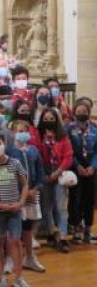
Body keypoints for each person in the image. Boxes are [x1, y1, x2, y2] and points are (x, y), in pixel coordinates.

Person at [0, 131, 31, 287]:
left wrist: (20, 202)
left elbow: (25, 184)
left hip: (15, 209)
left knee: (16, 241)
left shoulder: (15, 163)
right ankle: (1, 277)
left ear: (4, 143)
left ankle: (19, 277)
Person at [7, 120, 45, 272]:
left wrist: (36, 188)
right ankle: (10, 259)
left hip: (31, 194)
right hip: (16, 195)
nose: (22, 133)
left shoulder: (33, 150)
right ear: (13, 133)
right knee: (13, 228)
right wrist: (20, 193)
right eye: (19, 130)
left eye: (25, 130)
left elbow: (40, 171)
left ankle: (29, 257)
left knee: (28, 227)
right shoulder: (9, 151)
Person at [37, 108, 73, 252]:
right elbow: (35, 155)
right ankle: (53, 232)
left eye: (52, 119)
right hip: (44, 173)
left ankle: (63, 237)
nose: (49, 122)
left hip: (59, 173)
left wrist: (58, 172)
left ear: (56, 120)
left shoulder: (62, 136)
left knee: (61, 207)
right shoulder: (38, 135)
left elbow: (68, 156)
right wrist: (42, 174)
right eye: (46, 119)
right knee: (46, 207)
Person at [66, 100, 97, 244]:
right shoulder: (68, 129)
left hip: (91, 168)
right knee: (75, 199)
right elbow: (68, 150)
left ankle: (88, 230)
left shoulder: (95, 128)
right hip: (75, 167)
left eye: (85, 112)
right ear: (74, 112)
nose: (82, 114)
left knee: (90, 199)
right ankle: (76, 228)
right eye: (79, 112)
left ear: (89, 112)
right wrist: (77, 166)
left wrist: (93, 166)